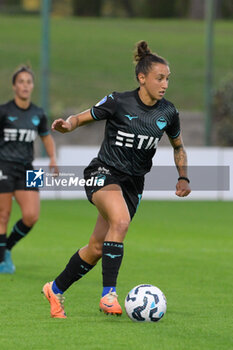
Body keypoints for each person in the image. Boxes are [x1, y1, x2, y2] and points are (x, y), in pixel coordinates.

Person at [42, 41, 191, 319]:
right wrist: (67, 125)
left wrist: (183, 176)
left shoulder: (168, 113)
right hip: (103, 172)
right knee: (120, 222)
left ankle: (56, 288)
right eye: (160, 78)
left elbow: (178, 147)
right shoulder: (118, 101)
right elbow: (80, 118)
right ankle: (108, 294)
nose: (165, 84)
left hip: (133, 185)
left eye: (168, 78)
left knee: (98, 247)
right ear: (142, 77)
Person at [0, 65, 58, 274]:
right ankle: (2, 261)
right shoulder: (3, 111)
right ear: (14, 86)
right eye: (21, 82)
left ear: (32, 86)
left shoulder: (38, 113)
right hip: (3, 165)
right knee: (3, 215)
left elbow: (46, 136)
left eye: (29, 82)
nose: (25, 85)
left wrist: (52, 158)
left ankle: (5, 248)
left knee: (32, 216)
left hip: (29, 168)